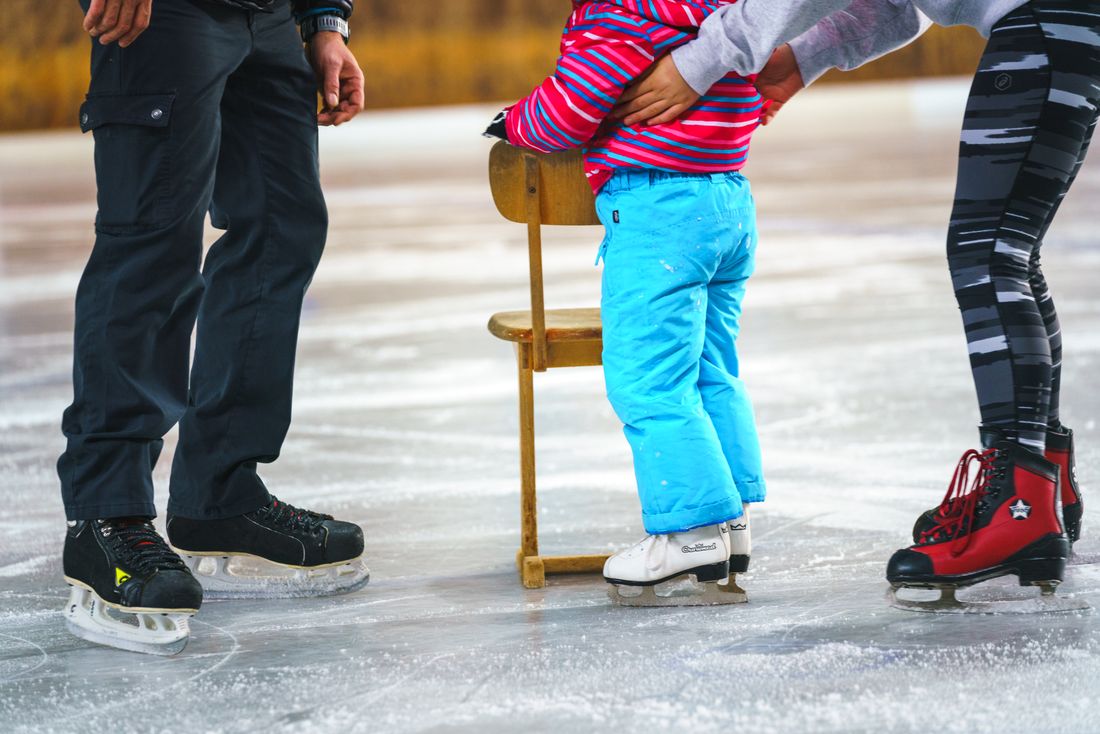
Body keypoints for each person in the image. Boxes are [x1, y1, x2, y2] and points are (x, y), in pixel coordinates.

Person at [614, 0, 1099, 608]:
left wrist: (701, 62)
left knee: (988, 254)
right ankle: (1041, 485)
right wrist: (803, 56)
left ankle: (1021, 503)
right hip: (1062, 27)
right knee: (1009, 252)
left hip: (1043, 29)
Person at [61, 0, 369, 655]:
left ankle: (219, 493)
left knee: (281, 230)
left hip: (271, 21)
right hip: (163, 16)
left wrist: (324, 21)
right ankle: (105, 515)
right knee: (152, 243)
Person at [486, 0, 768, 607]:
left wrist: (514, 123)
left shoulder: (620, 13)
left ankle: (690, 532)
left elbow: (566, 112)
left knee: (650, 379)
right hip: (728, 203)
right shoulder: (715, 11)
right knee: (709, 367)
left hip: (658, 213)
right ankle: (730, 519)